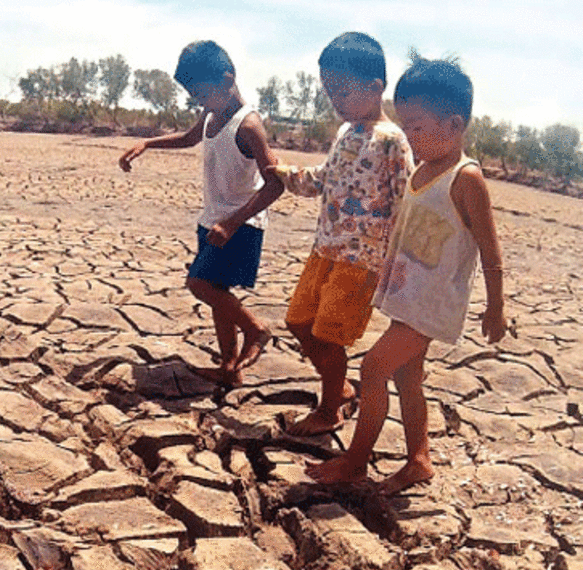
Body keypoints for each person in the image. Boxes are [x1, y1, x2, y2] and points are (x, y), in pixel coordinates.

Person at [305, 54, 506, 494]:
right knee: (407, 380)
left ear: (453, 126)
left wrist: (496, 307)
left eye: (416, 126)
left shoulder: (466, 179)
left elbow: (491, 250)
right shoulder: (422, 170)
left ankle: (356, 462)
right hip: (407, 297)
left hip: (431, 304)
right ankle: (419, 459)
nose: (408, 134)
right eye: (405, 124)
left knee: (373, 369)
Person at [253, 32, 414, 437]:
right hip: (323, 250)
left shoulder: (392, 140)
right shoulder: (346, 134)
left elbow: (404, 202)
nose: (335, 101)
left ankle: (329, 411)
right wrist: (284, 173)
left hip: (360, 260)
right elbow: (323, 181)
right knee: (298, 323)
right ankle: (339, 389)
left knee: (329, 336)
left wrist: (400, 262)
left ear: (376, 88)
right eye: (330, 93)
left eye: (342, 92)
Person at [119, 40, 284, 385]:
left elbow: (275, 185)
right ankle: (229, 369)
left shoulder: (248, 125)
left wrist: (233, 222)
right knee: (218, 294)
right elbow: (190, 138)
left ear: (227, 81)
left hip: (240, 224)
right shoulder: (213, 112)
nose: (199, 102)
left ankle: (255, 330)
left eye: (201, 94)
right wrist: (148, 144)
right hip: (213, 219)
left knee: (200, 284)